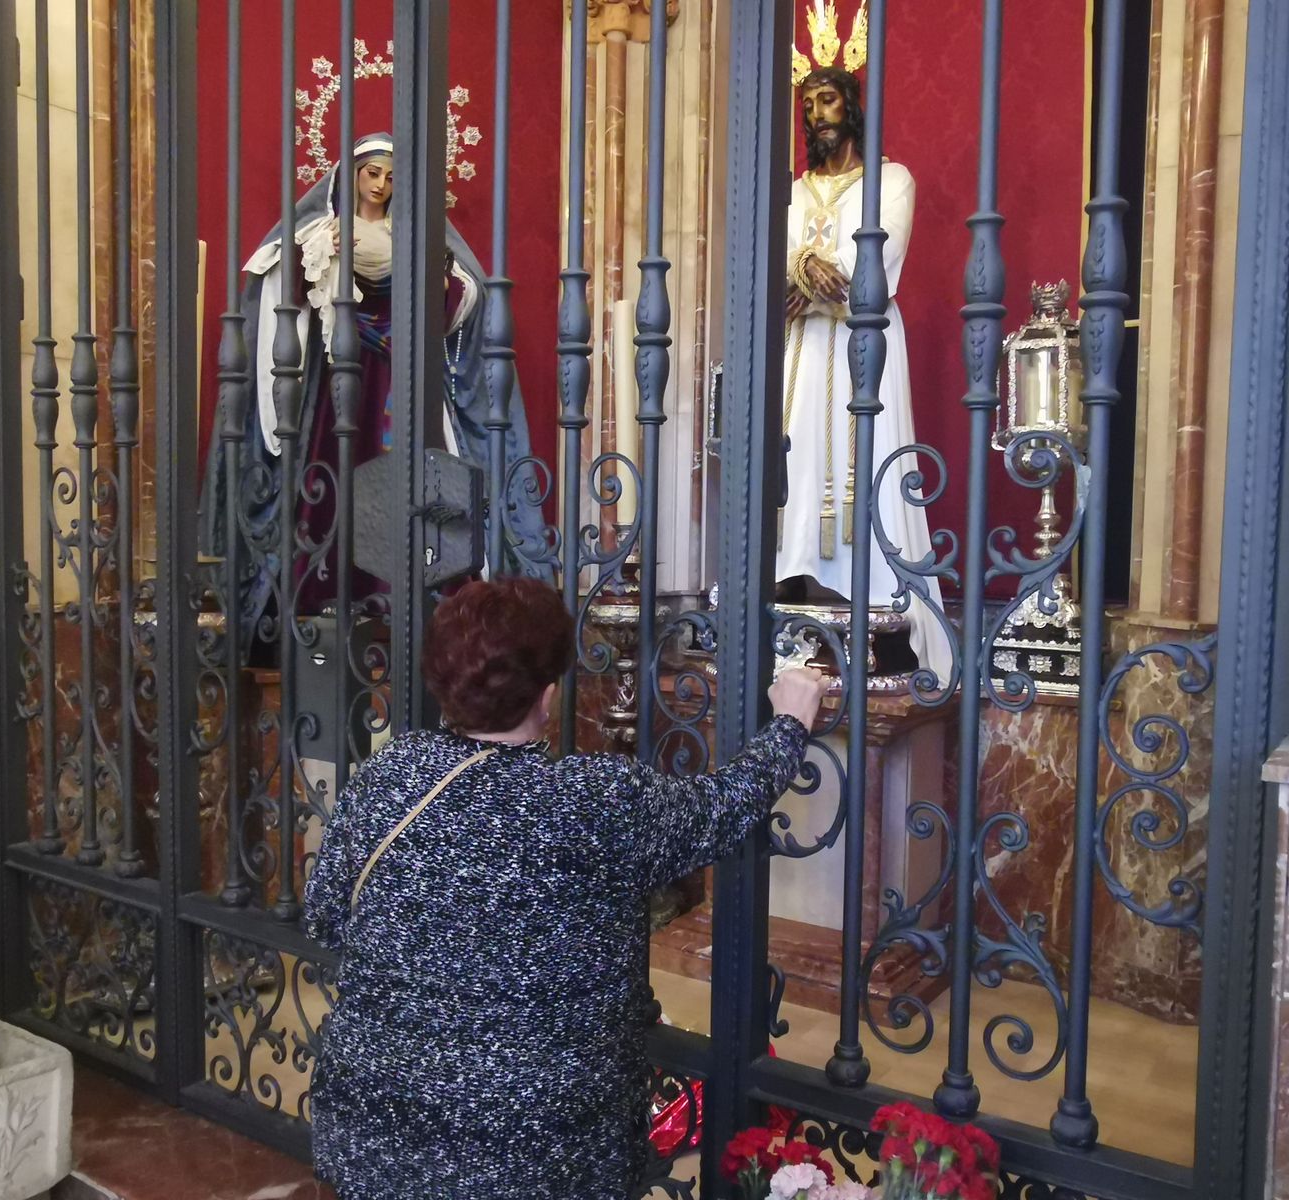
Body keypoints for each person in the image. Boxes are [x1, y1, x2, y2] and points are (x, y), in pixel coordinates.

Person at [303, 577, 828, 1198]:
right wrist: (791, 720)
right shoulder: (590, 800)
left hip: (374, 1129)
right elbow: (722, 808)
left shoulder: (393, 773)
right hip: (541, 1151)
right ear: (548, 696)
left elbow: (325, 919)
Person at [198, 133, 549, 658]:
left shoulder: (411, 236)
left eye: (390, 176)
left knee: (410, 472)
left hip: (400, 372)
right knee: (330, 478)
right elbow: (279, 282)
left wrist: (436, 274)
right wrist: (315, 257)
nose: (381, 185)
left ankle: (417, 603)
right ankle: (326, 601)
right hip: (341, 376)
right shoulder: (326, 231)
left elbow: (461, 296)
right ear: (352, 174)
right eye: (372, 173)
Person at [780, 67, 953, 680]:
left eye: (826, 100)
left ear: (850, 107)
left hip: (865, 349)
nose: (816, 113)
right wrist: (802, 265)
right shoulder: (793, 191)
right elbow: (776, 273)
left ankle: (876, 613)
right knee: (796, 468)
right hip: (798, 356)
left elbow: (871, 269)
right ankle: (797, 604)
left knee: (865, 462)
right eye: (807, 103)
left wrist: (809, 272)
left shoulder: (890, 180)